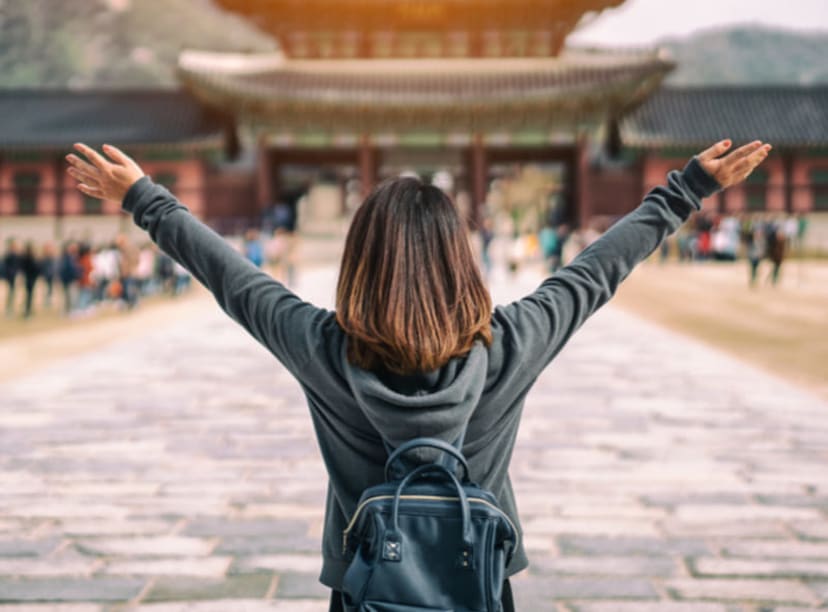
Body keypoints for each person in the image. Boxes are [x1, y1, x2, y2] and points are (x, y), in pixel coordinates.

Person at [66, 138, 771, 611]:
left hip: (369, 584)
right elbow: (596, 272)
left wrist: (144, 200)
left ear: (360, 261)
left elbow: (231, 277)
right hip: (479, 582)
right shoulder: (510, 344)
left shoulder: (322, 347)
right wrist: (689, 188)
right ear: (460, 260)